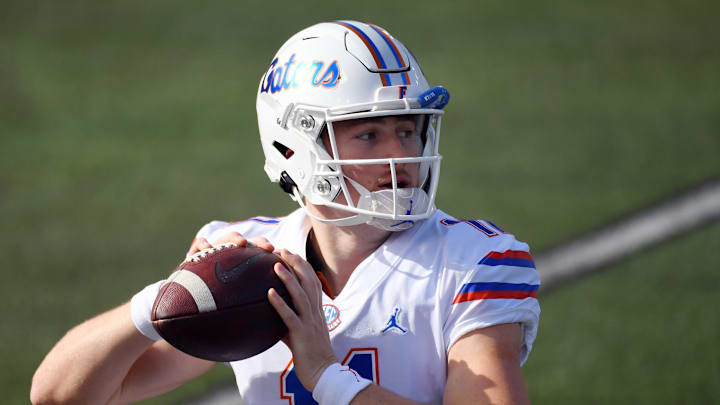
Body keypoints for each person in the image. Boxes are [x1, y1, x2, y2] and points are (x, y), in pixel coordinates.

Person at [31, 21, 540, 405]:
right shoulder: (248, 263)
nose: (400, 154)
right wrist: (161, 303)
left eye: (407, 130)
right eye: (368, 134)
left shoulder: (473, 261)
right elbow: (58, 396)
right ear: (296, 147)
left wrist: (327, 375)